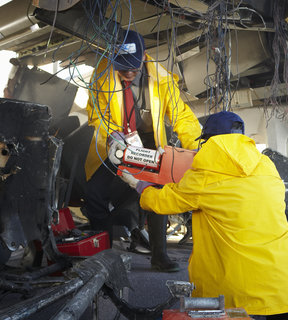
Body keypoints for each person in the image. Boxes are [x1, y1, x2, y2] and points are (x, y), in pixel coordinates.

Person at [121, 111, 288, 319]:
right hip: (285, 285)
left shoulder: (205, 174)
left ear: (208, 141)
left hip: (238, 290)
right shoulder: (267, 166)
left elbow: (164, 201)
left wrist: (139, 185)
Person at [83, 30, 201, 272]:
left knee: (158, 191)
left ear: (144, 57)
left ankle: (160, 256)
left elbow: (182, 118)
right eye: (122, 67)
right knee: (94, 193)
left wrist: (198, 147)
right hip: (116, 146)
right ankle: (105, 257)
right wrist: (112, 134)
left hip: (149, 146)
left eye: (133, 68)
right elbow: (96, 115)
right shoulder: (101, 76)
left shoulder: (163, 80)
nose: (128, 73)